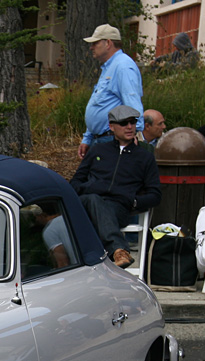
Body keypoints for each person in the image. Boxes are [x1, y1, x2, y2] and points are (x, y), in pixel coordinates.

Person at [71, 104, 161, 269]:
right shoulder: (98, 150)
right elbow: (75, 182)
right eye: (123, 123)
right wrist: (88, 188)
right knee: (92, 200)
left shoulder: (144, 157)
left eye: (132, 122)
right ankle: (119, 250)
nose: (129, 127)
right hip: (87, 202)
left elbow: (155, 194)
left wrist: (133, 201)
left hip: (118, 207)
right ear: (112, 127)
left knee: (56, 229)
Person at [79, 24, 144, 160]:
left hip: (113, 140)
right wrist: (88, 137)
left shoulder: (123, 67)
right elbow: (101, 104)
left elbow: (132, 105)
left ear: (108, 43)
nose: (91, 47)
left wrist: (133, 134)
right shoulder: (110, 67)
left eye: (95, 43)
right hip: (102, 139)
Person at [35, 202, 76, 269]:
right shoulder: (72, 218)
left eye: (36, 217)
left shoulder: (49, 231)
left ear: (42, 215)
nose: (36, 220)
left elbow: (63, 263)